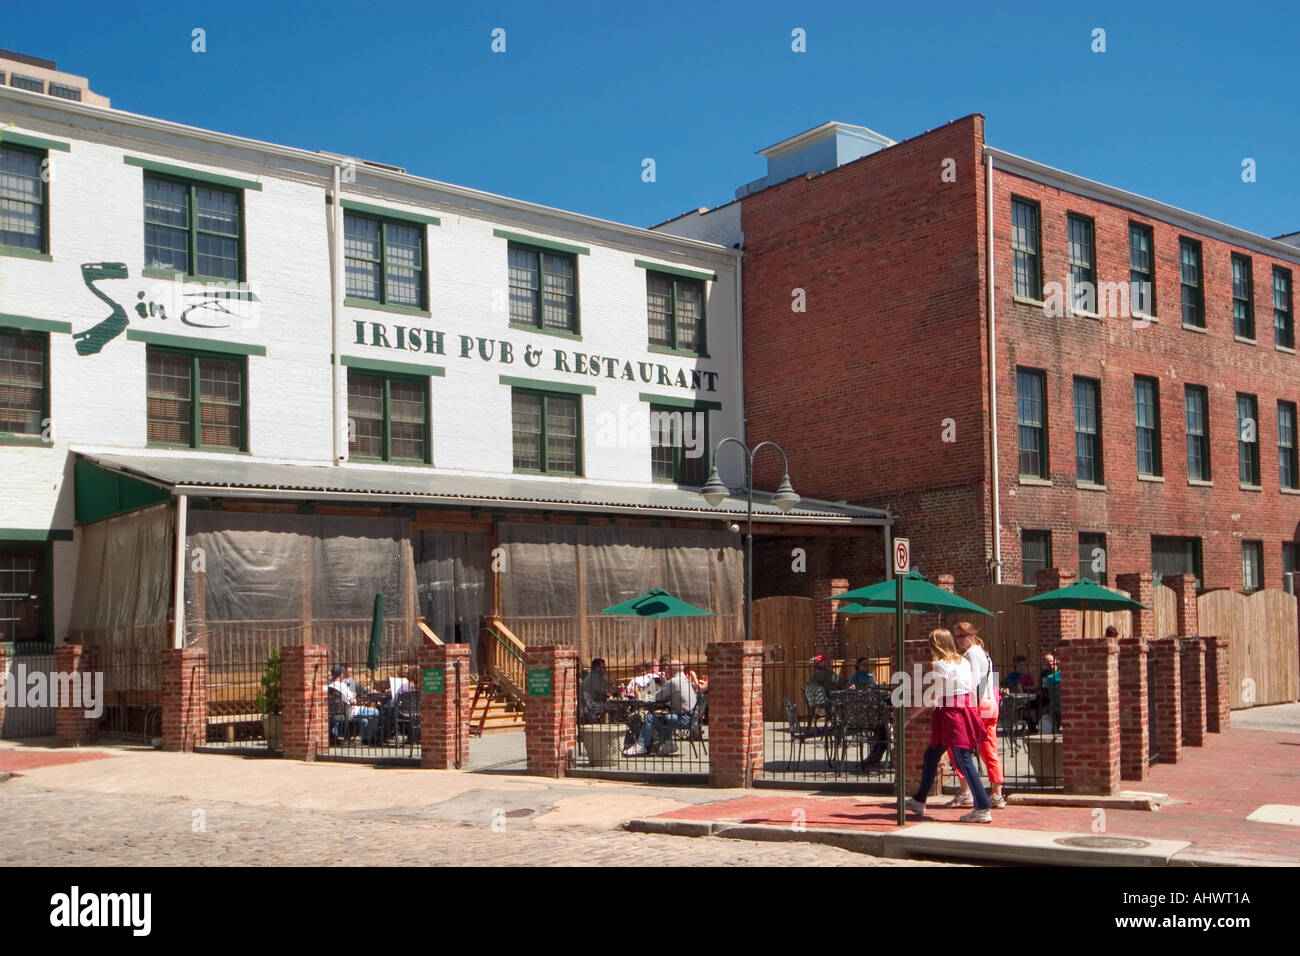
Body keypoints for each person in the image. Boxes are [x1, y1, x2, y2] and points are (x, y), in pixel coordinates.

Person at [903, 628, 992, 823]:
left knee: (963, 759)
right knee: (933, 753)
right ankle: (919, 799)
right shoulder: (962, 662)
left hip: (951, 714)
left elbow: (934, 694)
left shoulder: (942, 665)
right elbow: (968, 688)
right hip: (960, 709)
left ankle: (983, 807)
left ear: (935, 645)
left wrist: (911, 715)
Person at [945, 621, 1005, 809]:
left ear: (971, 635)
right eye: (956, 636)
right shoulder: (983, 652)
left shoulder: (970, 655)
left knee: (958, 747)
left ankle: (965, 792)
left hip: (977, 705)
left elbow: (971, 683)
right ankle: (996, 793)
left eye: (961, 636)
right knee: (989, 750)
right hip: (990, 704)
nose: (958, 640)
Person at [623, 658, 698, 756]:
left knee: (651, 717)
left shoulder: (674, 682)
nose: (665, 670)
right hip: (694, 718)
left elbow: (655, 697)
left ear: (672, 669)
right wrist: (664, 682)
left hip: (685, 719)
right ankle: (668, 743)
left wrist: (646, 693)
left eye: (667, 668)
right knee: (662, 717)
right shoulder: (683, 680)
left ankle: (641, 745)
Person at [328, 663, 380, 744]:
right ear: (342, 674)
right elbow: (353, 701)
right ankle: (369, 738)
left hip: (334, 714)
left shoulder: (329, 686)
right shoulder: (342, 686)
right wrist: (354, 696)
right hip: (349, 712)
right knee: (376, 712)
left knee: (365, 720)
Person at [1041, 655, 1062, 733]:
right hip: (1050, 698)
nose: (1050, 664)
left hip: (1054, 702)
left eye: (1051, 661)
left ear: (1056, 661)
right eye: (1047, 662)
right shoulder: (1044, 673)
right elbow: (1042, 687)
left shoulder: (1051, 677)